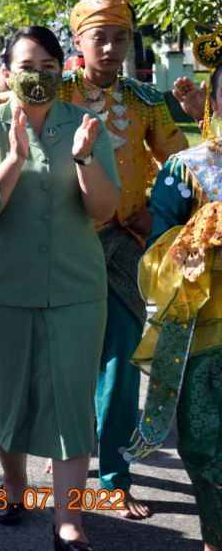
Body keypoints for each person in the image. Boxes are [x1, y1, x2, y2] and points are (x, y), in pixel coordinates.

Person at [0, 0, 202, 519]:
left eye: (123, 38)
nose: (113, 49)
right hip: (13, 275)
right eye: (101, 37)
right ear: (80, 43)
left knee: (112, 371)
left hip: (117, 249)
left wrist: (156, 207)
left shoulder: (144, 101)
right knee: (15, 390)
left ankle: (107, 484)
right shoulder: (49, 95)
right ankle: (17, 486)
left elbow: (186, 166)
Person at [0, 26, 120, 550]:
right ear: (5, 73)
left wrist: (83, 158)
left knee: (71, 402)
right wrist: (12, 156)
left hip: (76, 288)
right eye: (27, 67)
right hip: (0, 288)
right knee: (5, 396)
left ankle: (69, 520)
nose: (38, 76)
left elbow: (105, 210)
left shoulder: (87, 124)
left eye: (49, 67)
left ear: (64, 70)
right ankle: (13, 487)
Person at [135, 67, 222, 551]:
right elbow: (157, 257)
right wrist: (199, 235)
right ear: (214, 99)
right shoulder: (187, 169)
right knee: (206, 446)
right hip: (208, 330)